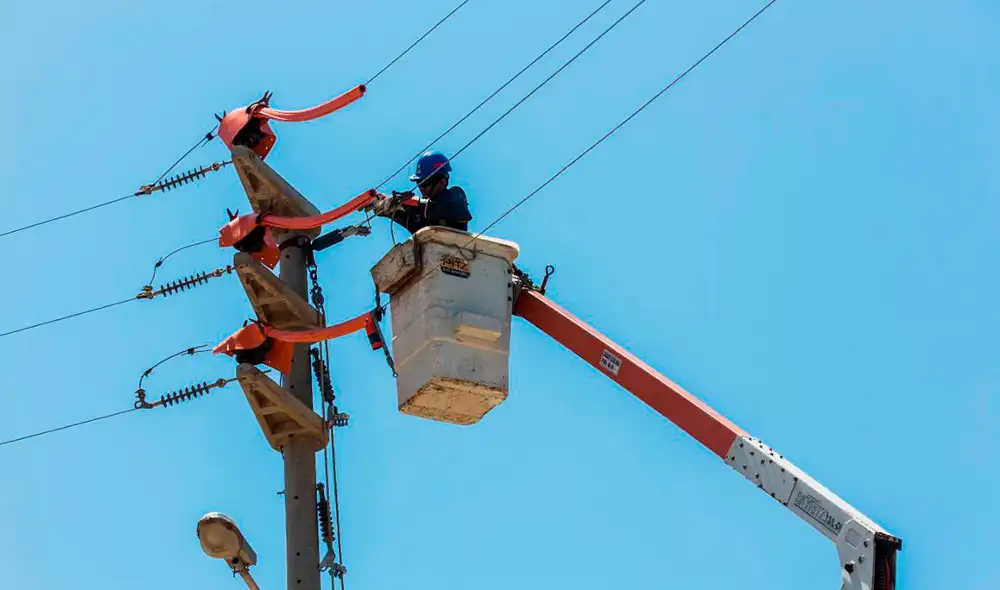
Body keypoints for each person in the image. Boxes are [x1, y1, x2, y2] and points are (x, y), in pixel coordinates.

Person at [372, 151, 472, 234]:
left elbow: (434, 207)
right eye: (419, 183)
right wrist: (379, 204)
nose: (421, 188)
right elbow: (398, 213)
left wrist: (403, 201)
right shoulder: (418, 217)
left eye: (425, 183)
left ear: (442, 181)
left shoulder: (456, 196)